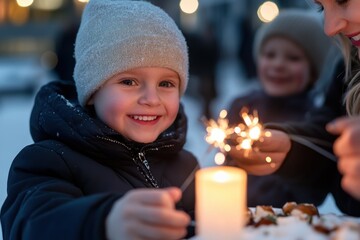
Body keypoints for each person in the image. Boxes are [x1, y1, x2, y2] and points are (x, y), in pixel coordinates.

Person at [0, 1, 199, 239]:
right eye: (129, 82)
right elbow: (32, 224)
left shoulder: (185, 166)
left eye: (166, 84)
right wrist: (104, 223)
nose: (151, 99)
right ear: (93, 91)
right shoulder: (50, 162)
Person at [228, 0, 360, 216]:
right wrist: (291, 149)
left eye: (343, 0)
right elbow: (329, 142)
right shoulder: (349, 68)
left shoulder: (309, 105)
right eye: (321, 8)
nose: (330, 28)